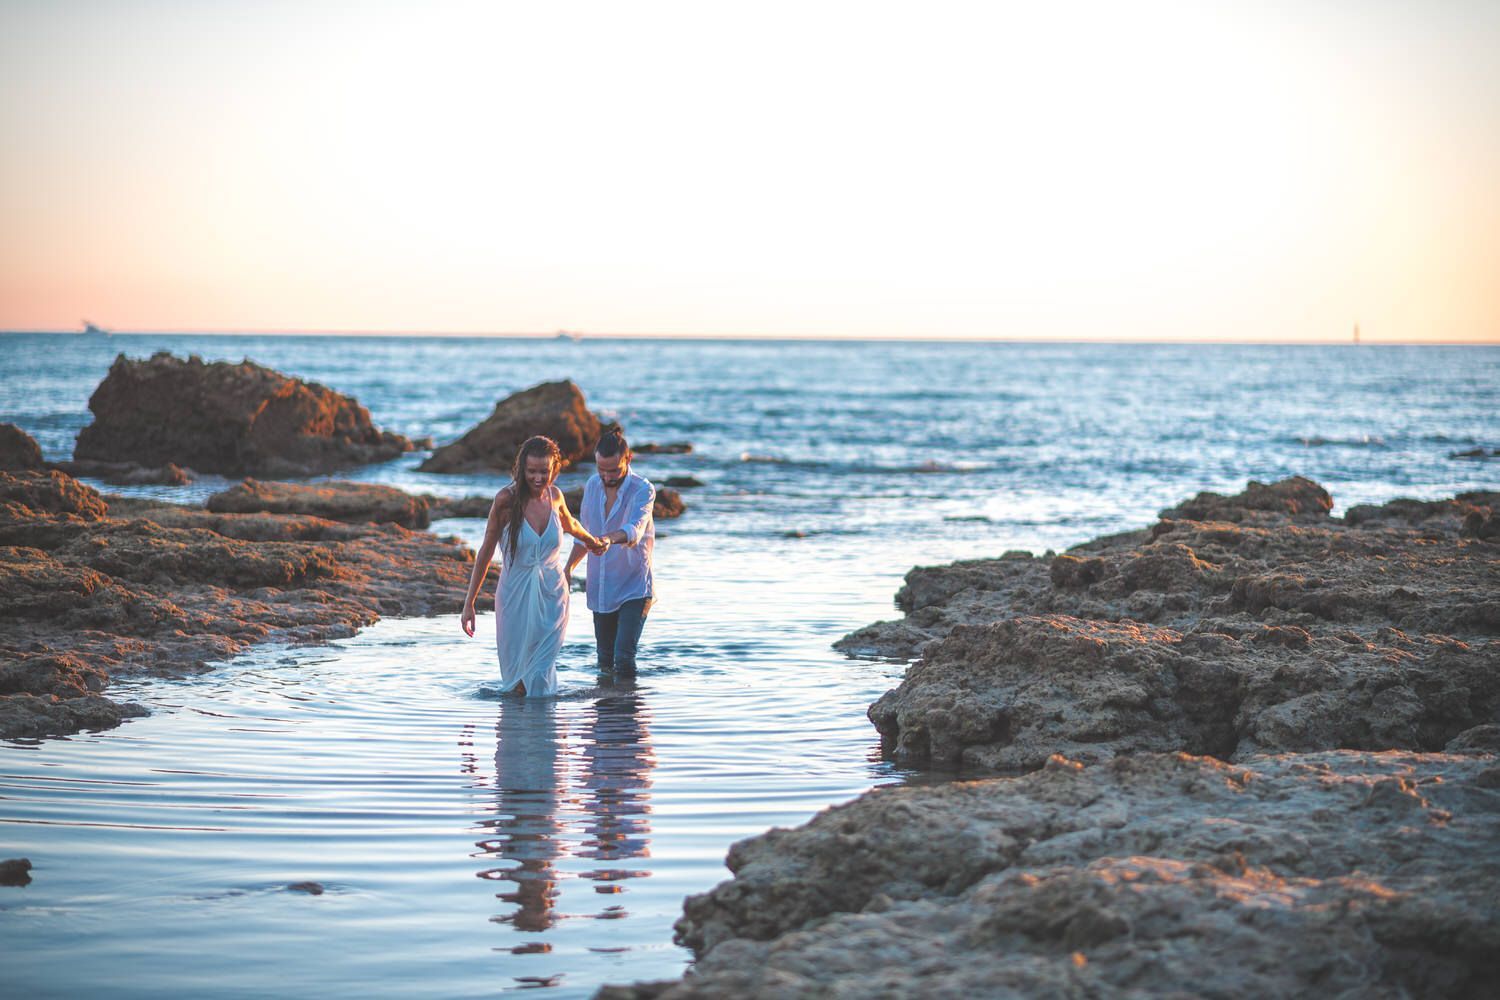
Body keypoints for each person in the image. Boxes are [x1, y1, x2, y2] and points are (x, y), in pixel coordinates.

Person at [461, 435, 607, 696]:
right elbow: (485, 551)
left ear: (554, 469)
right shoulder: (505, 500)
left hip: (552, 595)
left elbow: (570, 524)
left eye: (544, 471)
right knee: (516, 681)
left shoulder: (555, 497)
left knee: (540, 674)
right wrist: (469, 602)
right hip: (514, 597)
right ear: (521, 469)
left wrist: (592, 541)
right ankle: (520, 733)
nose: (538, 478)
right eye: (531, 472)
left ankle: (546, 734)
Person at [567, 429, 656, 682]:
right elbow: (583, 535)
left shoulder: (643, 489)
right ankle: (606, 716)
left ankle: (629, 716)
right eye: (601, 469)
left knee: (624, 658)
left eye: (613, 470)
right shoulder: (593, 486)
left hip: (635, 587)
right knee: (604, 660)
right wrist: (567, 570)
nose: (607, 477)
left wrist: (607, 539)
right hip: (602, 586)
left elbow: (634, 530)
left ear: (627, 459)